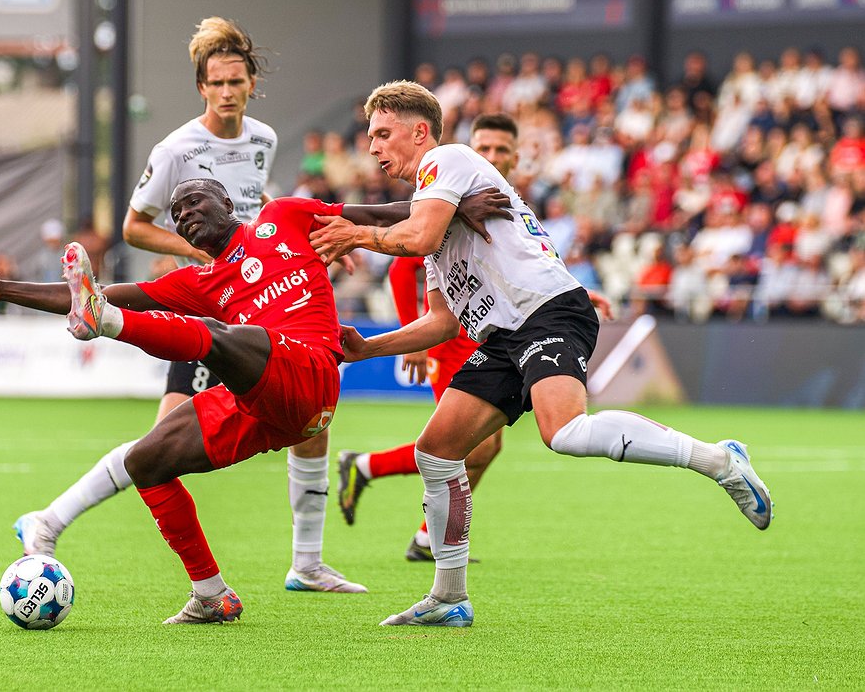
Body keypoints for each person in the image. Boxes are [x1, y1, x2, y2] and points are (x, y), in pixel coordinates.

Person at [311, 81, 774, 627]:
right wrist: (367, 348)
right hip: (503, 336)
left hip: (547, 312)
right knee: (436, 451)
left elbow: (416, 238)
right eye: (370, 137)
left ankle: (720, 460)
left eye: (382, 134)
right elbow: (441, 321)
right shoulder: (434, 213)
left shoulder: (447, 159)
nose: (372, 147)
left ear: (419, 132)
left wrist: (356, 233)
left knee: (565, 433)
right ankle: (449, 597)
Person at [0, 178, 505, 623]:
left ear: (227, 203)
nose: (184, 213)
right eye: (176, 213)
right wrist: (4, 290)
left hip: (312, 376)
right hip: (261, 404)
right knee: (147, 461)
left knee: (223, 336)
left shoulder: (285, 216)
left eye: (194, 201)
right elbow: (86, 292)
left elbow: (377, 213)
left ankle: (108, 325)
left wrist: (454, 207)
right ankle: (210, 593)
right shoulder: (199, 281)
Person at [0, 17, 354, 597]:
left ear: (252, 84)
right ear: (201, 87)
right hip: (210, 299)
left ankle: (306, 563)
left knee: (312, 425)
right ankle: (54, 521)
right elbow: (134, 227)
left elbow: (258, 209)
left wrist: (305, 240)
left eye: (236, 81)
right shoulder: (177, 149)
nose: (227, 92)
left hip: (259, 292)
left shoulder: (263, 139)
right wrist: (201, 252)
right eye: (216, 83)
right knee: (163, 439)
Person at [336, 113, 613, 562]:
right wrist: (416, 338)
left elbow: (522, 262)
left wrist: (574, 291)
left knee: (481, 446)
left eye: (502, 150)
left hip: (495, 328)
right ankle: (388, 490)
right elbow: (406, 266)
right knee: (465, 443)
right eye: (484, 147)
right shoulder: (445, 185)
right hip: (454, 337)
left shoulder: (498, 201)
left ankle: (426, 536)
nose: (492, 156)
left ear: (515, 158)